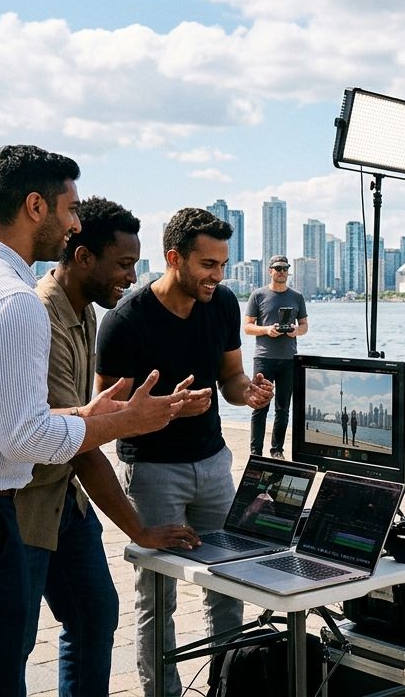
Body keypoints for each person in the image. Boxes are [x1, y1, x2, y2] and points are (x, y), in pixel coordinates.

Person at [0, 144, 185, 697]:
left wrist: (86, 414)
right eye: (70, 210)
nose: (75, 225)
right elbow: (24, 437)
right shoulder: (14, 299)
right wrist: (121, 423)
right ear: (35, 207)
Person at [17, 196, 201, 696]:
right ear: (83, 259)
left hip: (68, 500)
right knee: (13, 643)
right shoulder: (40, 315)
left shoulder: (88, 313)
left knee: (95, 617)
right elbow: (77, 440)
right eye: (123, 265)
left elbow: (92, 419)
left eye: (136, 264)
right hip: (26, 507)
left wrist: (151, 412)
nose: (132, 276)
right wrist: (138, 527)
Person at [97, 207, 275, 697]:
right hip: (152, 472)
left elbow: (231, 379)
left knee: (229, 587)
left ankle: (225, 686)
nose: (218, 276)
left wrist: (249, 394)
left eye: (222, 264)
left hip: (215, 463)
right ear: (174, 258)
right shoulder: (124, 321)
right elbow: (104, 418)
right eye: (208, 265)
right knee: (158, 597)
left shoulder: (222, 304)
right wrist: (169, 410)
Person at [243, 254, 308, 458]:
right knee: (260, 406)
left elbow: (305, 326)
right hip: (264, 358)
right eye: (278, 268)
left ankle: (277, 450)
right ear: (270, 270)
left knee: (283, 408)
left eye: (285, 268)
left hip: (289, 359)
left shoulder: (297, 296)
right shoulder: (258, 295)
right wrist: (267, 330)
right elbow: (247, 327)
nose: (282, 272)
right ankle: (256, 452)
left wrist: (295, 331)